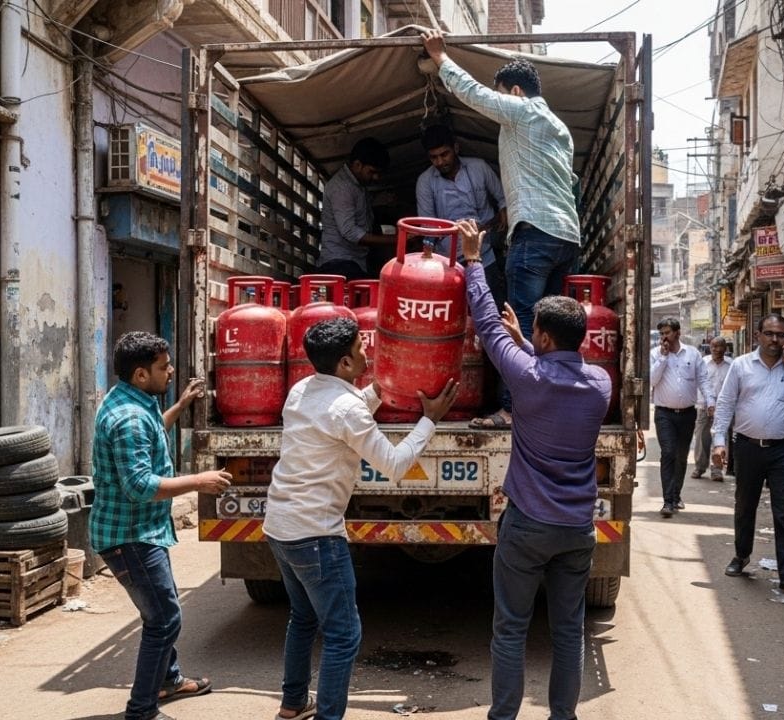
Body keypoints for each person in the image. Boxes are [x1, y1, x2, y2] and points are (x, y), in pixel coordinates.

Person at [264, 317, 457, 720]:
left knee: (303, 617)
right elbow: (395, 465)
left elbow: (338, 419)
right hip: (316, 534)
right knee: (343, 635)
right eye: (359, 348)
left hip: (280, 526)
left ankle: (294, 703)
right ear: (345, 364)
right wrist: (430, 420)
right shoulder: (347, 408)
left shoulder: (301, 391)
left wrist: (376, 391)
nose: (367, 350)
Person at [456, 219, 611, 720]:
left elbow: (484, 319)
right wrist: (529, 344)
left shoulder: (526, 376)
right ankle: (562, 716)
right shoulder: (601, 385)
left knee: (511, 628)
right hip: (576, 529)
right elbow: (557, 372)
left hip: (526, 527)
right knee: (568, 631)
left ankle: (503, 716)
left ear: (542, 334)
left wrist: (473, 260)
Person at [422, 30, 581, 430]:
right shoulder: (559, 128)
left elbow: (474, 94)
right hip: (566, 236)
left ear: (514, 91)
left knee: (521, 321)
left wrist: (440, 57)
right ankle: (548, 404)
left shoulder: (523, 111)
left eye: (502, 95)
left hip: (535, 232)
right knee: (553, 329)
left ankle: (512, 408)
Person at [91, 331, 234, 720]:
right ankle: (142, 709)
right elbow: (138, 486)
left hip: (143, 532)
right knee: (165, 618)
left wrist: (182, 405)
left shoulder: (133, 400)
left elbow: (152, 430)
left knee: (159, 611)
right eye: (163, 367)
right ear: (140, 374)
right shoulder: (129, 418)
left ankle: (168, 680)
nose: (171, 372)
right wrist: (198, 481)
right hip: (130, 537)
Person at [711, 314, 784, 600]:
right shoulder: (741, 366)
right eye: (769, 333)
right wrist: (719, 441)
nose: (775, 340)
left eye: (781, 334)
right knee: (745, 505)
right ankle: (741, 554)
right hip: (747, 447)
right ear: (758, 335)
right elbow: (725, 404)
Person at [415, 124, 508, 307]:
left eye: (445, 154)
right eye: (434, 157)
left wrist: (502, 216)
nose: (440, 162)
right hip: (448, 263)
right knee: (456, 315)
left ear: (456, 148)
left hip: (485, 255)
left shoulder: (479, 167)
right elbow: (428, 227)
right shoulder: (425, 182)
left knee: (494, 311)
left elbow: (503, 197)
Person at [650, 318, 713, 518]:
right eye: (661, 334)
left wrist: (710, 402)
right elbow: (652, 380)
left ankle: (676, 496)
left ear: (677, 333)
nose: (664, 337)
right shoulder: (655, 354)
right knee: (668, 452)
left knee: (680, 455)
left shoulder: (693, 354)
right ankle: (668, 501)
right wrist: (662, 358)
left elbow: (703, 380)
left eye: (667, 333)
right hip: (664, 414)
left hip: (687, 413)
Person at [317, 137, 397, 280]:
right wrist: (395, 240)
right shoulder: (342, 187)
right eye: (372, 172)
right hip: (339, 264)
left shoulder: (359, 187)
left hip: (355, 263)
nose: (376, 177)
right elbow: (350, 232)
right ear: (357, 164)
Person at [692, 336, 732, 482]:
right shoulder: (703, 363)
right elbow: (698, 383)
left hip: (722, 409)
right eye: (714, 346)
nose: (717, 349)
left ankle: (717, 470)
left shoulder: (731, 365)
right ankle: (700, 467)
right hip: (703, 406)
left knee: (720, 439)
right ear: (709, 347)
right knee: (702, 438)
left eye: (720, 346)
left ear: (725, 348)